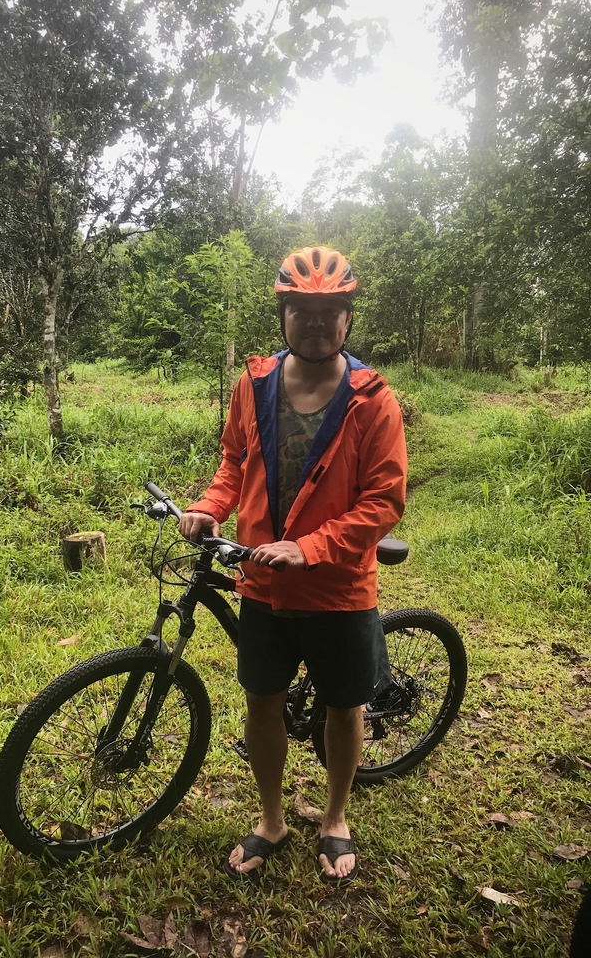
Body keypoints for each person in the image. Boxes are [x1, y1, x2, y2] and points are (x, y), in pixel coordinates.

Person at [178, 246, 407, 886]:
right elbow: (234, 463)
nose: (315, 323)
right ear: (283, 315)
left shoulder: (372, 399)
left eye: (329, 311)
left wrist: (311, 547)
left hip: (339, 587)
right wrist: (209, 506)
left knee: (344, 707)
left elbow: (384, 500)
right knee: (263, 704)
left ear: (348, 318)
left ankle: (335, 817)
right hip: (262, 582)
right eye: (302, 311)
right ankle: (272, 819)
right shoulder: (253, 385)